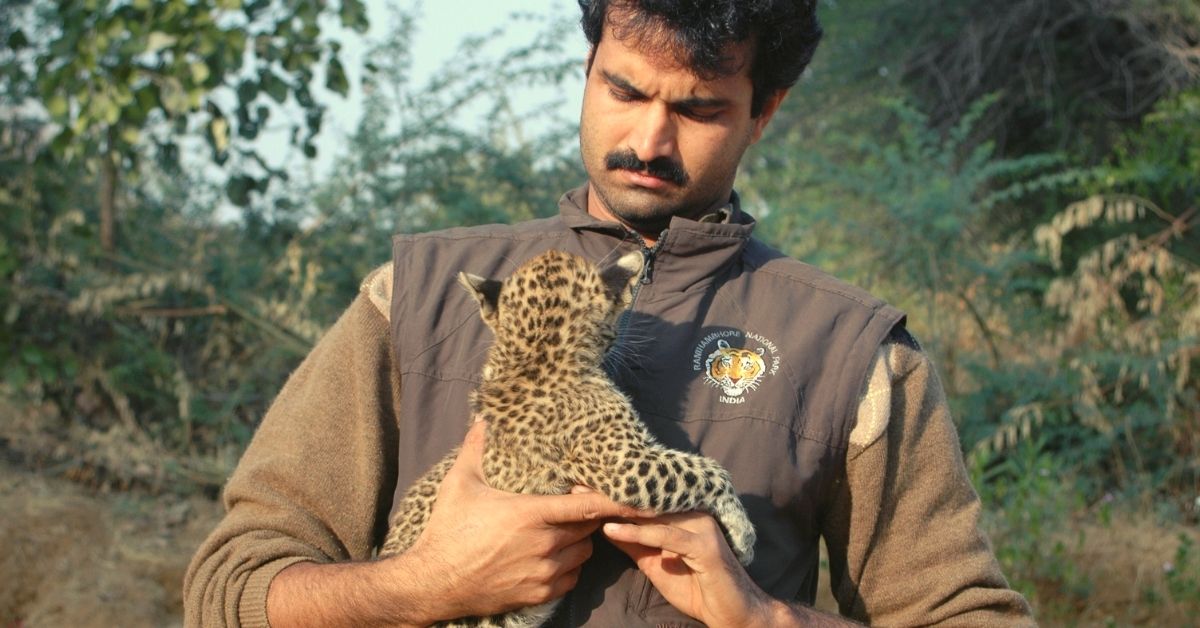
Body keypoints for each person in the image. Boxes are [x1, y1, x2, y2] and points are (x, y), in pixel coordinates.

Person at [185, 1, 1036, 626]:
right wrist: (429, 583)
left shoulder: (852, 351)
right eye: (623, 90)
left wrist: (763, 619)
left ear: (763, 110)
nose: (650, 141)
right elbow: (228, 590)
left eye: (699, 109)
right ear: (587, 64)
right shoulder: (416, 293)